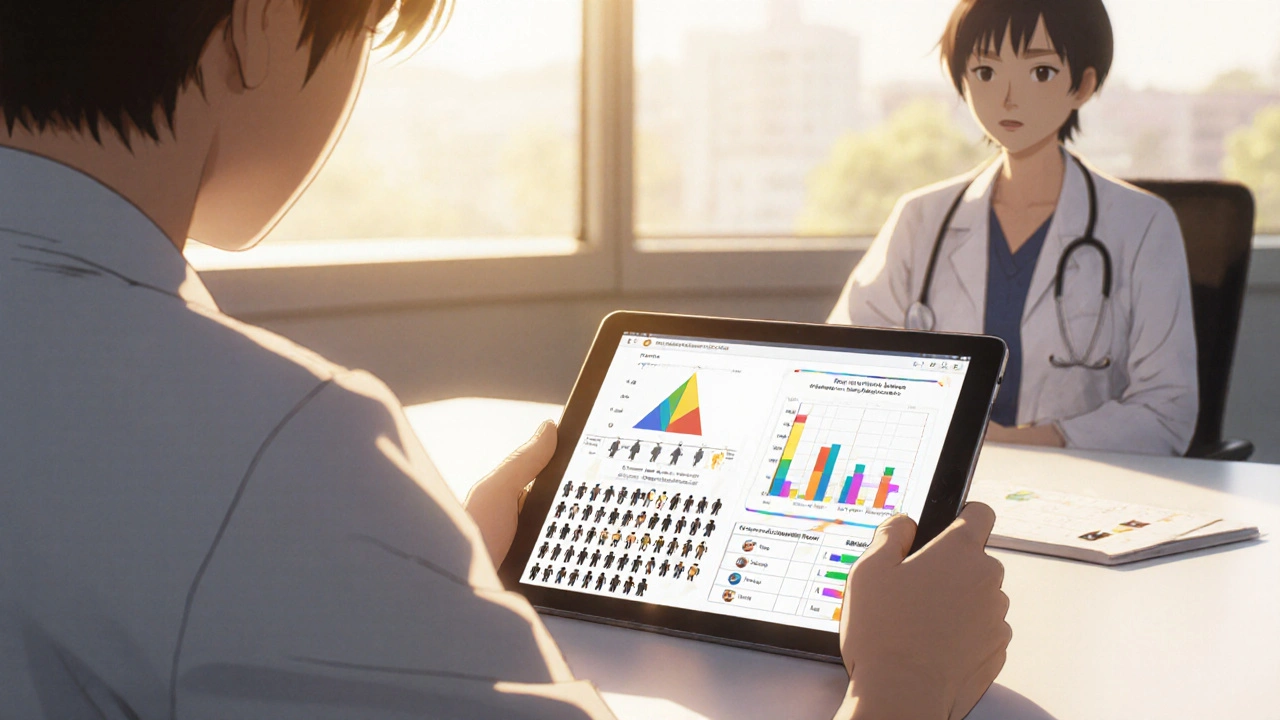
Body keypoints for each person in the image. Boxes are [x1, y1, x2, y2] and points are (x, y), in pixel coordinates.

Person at [0, 1, 1010, 718]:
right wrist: (900, 692)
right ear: (257, 22)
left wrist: (413, 593)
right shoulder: (273, 446)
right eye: (361, 35)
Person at [828, 0, 1197, 456]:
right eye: (985, 72)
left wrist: (1018, 443)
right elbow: (844, 368)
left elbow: (1166, 413)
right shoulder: (921, 217)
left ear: (1083, 84)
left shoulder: (1141, 225)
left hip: (1082, 484)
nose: (1008, 98)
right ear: (962, 80)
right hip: (931, 475)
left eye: (1039, 72)